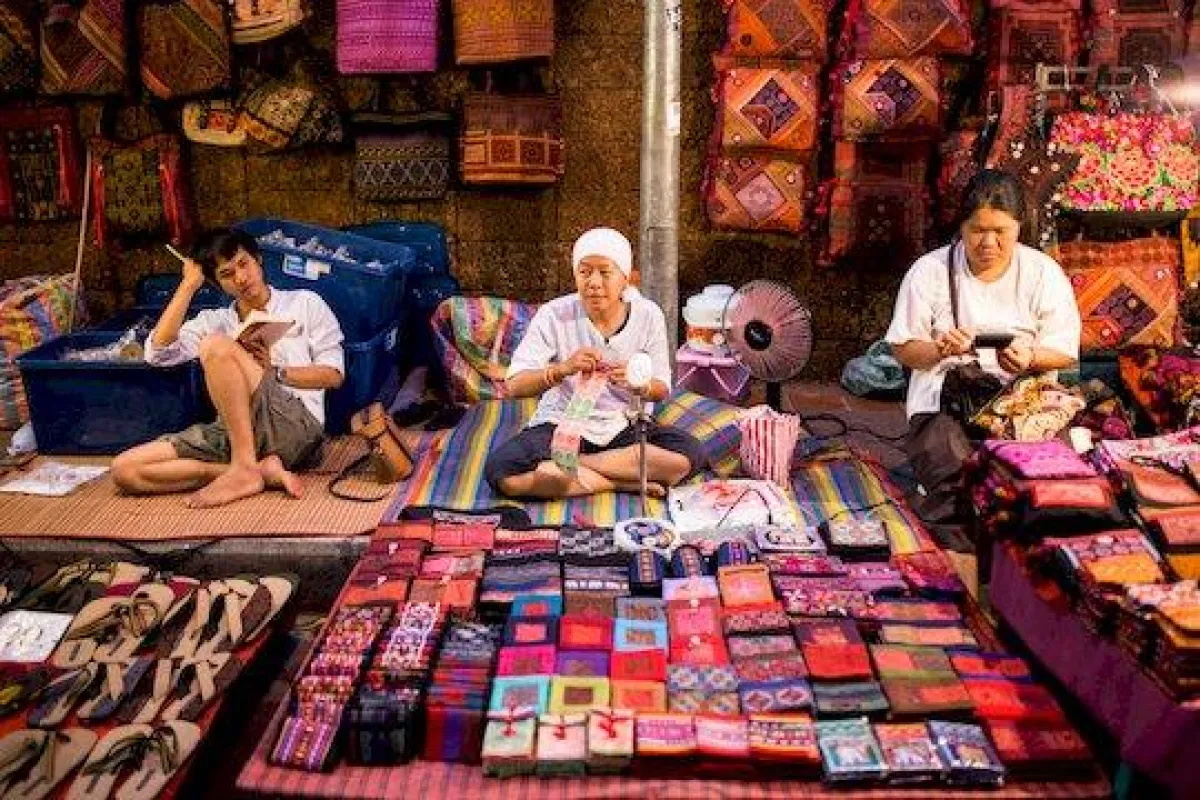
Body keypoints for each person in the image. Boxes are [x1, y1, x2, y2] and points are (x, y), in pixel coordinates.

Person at [885, 169, 1081, 535]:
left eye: (1000, 231)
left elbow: (1064, 350)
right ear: (961, 227)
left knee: (1047, 486)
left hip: (1022, 403)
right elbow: (904, 348)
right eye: (977, 230)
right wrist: (940, 350)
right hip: (945, 404)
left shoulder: (1043, 273)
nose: (988, 242)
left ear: (1019, 226)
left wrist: (1030, 358)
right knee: (960, 494)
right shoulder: (929, 271)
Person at [111, 229, 345, 508]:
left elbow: (334, 376)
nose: (241, 278)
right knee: (125, 470)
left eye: (244, 264)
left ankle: (243, 468)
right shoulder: (215, 320)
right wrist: (188, 286)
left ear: (258, 259)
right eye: (227, 274)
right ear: (217, 283)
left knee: (216, 346)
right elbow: (158, 354)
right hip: (236, 432)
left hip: (296, 428)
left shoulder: (305, 303)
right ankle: (254, 471)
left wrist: (276, 371)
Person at [485, 227, 706, 499]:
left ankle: (570, 466)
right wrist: (562, 369)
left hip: (623, 427)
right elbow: (515, 385)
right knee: (503, 472)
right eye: (584, 272)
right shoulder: (554, 314)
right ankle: (622, 483)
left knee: (690, 455)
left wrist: (638, 384)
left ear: (627, 279)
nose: (593, 282)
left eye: (604, 272)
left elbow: (661, 388)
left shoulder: (648, 315)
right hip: (563, 425)